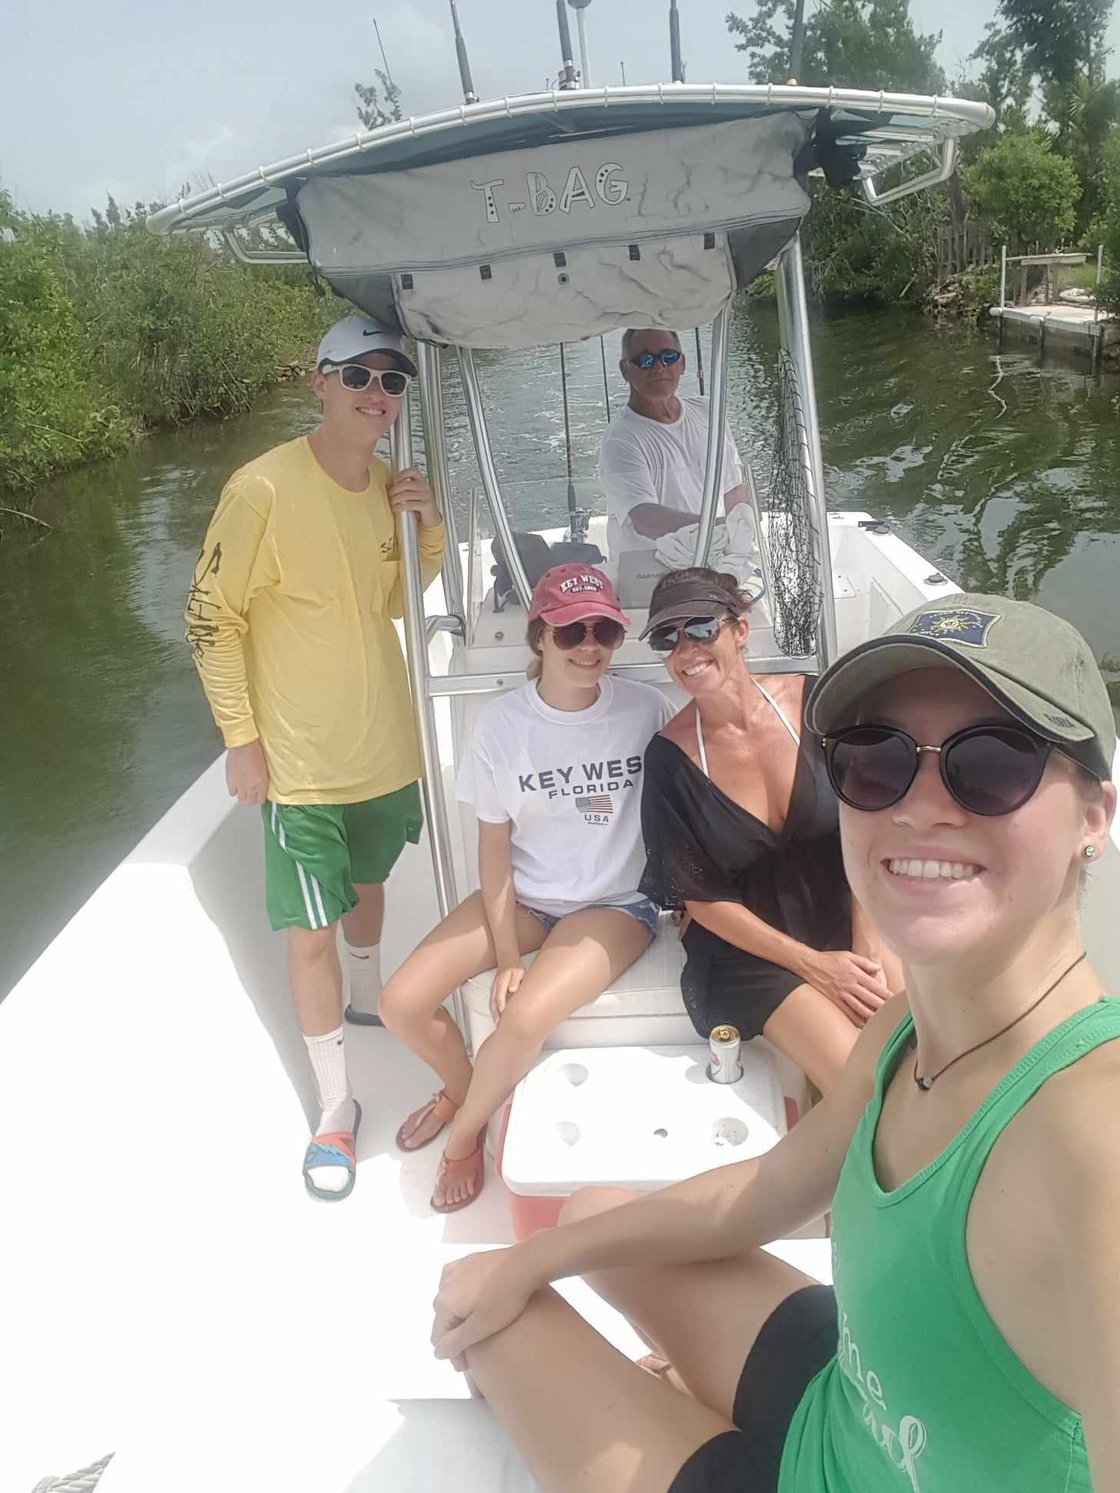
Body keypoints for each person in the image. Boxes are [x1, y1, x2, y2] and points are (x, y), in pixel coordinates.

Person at [430, 591, 1119, 1493]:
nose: (920, 808)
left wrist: (511, 1281)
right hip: (852, 1390)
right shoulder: (909, 1032)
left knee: (483, 1317)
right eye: (875, 763)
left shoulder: (1092, 1137)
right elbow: (770, 1186)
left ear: (1095, 817)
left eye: (991, 764)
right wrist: (533, 1256)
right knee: (586, 1213)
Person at [185, 314, 445, 1202]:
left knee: (371, 881)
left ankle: (369, 996)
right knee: (310, 935)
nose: (378, 393)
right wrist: (241, 739)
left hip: (383, 744)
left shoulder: (388, 486)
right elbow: (210, 620)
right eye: (359, 375)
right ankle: (335, 1108)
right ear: (320, 383)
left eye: (393, 380)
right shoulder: (260, 489)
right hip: (297, 764)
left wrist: (428, 526)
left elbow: (403, 598)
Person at [379, 564, 672, 1212]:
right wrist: (509, 956)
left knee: (526, 1015)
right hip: (530, 897)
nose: (590, 646)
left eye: (604, 630)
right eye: (571, 632)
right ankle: (463, 1087)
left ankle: (464, 1136)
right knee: (401, 1002)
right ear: (539, 636)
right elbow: (493, 850)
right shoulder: (500, 725)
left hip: (615, 901)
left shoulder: (645, 707)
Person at [638, 566, 898, 1094]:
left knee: (917, 1046)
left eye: (702, 628)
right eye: (669, 638)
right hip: (753, 951)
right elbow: (701, 899)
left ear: (739, 629)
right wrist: (817, 967)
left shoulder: (820, 704)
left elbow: (872, 820)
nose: (686, 649)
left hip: (852, 910)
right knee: (865, 1084)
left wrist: (867, 945)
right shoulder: (668, 758)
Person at [598, 329, 759, 578]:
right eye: (645, 360)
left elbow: (733, 489)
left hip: (713, 558)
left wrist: (740, 540)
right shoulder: (619, 439)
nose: (659, 367)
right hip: (650, 574)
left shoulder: (710, 411)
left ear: (682, 363)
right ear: (625, 370)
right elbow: (646, 519)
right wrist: (719, 529)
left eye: (668, 356)